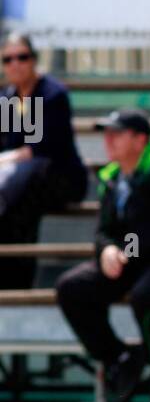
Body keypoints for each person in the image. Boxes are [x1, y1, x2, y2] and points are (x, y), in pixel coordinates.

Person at [56, 109, 150, 402]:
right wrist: (107, 250)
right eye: (106, 133)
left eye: (117, 133)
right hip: (135, 259)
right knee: (72, 287)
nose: (108, 140)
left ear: (140, 139)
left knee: (146, 294)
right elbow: (104, 230)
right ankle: (119, 359)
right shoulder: (111, 175)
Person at [0, 33, 88, 289]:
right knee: (14, 205)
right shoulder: (8, 98)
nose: (15, 64)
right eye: (8, 59)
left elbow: (39, 148)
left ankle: (17, 285)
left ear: (34, 60)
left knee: (19, 198)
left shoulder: (52, 94)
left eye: (22, 57)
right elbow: (7, 144)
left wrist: (5, 160)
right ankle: (11, 283)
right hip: (19, 184)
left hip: (60, 179)